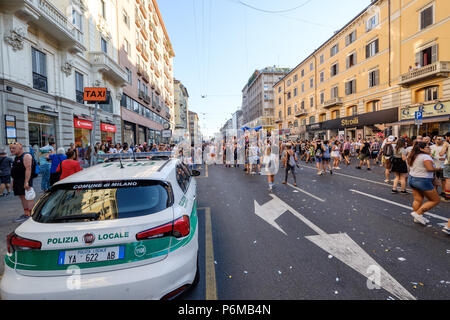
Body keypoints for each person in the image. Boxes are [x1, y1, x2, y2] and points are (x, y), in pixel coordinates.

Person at [407, 142, 440, 226]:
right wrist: (438, 169)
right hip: (422, 180)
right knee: (435, 200)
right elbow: (429, 169)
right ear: (421, 149)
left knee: (417, 199)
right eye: (427, 147)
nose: (430, 148)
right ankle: (418, 213)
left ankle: (417, 217)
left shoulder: (413, 156)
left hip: (412, 178)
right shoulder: (425, 156)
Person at [9, 143, 35, 223]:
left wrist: (26, 182)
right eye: (11, 148)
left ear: (20, 147)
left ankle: (31, 215)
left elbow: (28, 169)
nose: (11, 150)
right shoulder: (16, 157)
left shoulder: (26, 156)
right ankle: (26, 214)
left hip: (24, 180)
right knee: (22, 197)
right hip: (18, 180)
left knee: (28, 197)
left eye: (13, 148)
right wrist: (13, 181)